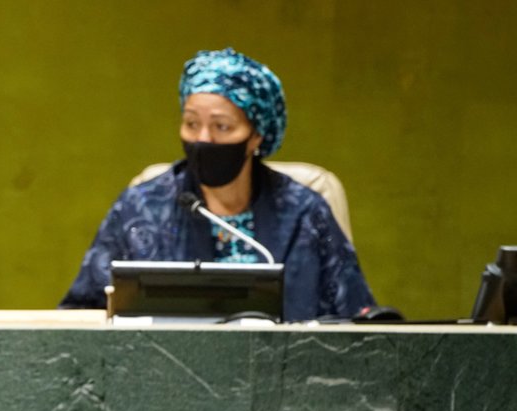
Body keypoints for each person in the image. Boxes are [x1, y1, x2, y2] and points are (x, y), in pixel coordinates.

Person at [60, 48, 374, 322]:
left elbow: (358, 321)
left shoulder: (305, 213)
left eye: (222, 126)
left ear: (256, 136)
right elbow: (82, 315)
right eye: (191, 123)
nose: (203, 139)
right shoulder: (141, 208)